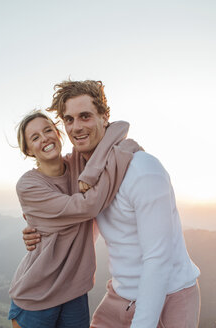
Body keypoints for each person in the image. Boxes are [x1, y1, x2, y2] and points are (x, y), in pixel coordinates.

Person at [23, 80, 201, 328]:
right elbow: (78, 221)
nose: (76, 127)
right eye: (69, 119)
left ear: (104, 117)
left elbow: (157, 259)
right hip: (120, 295)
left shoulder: (144, 170)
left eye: (85, 116)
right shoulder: (85, 174)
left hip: (169, 296)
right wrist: (41, 233)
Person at [9, 110, 141, 328]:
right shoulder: (28, 185)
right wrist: (122, 154)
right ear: (28, 150)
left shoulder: (80, 163)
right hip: (37, 294)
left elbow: (119, 127)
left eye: (48, 130)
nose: (45, 138)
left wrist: (93, 172)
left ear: (58, 133)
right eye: (35, 137)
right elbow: (87, 207)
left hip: (75, 292)